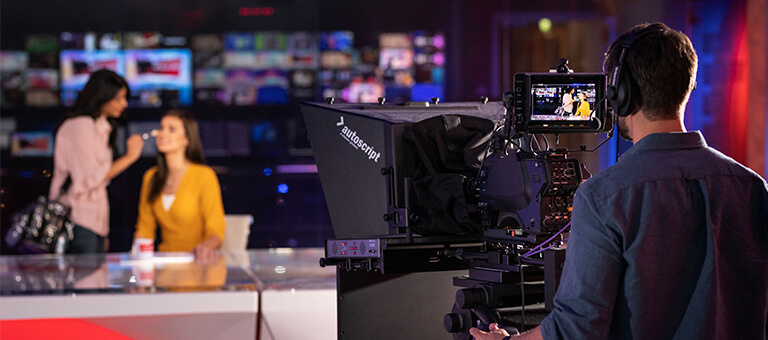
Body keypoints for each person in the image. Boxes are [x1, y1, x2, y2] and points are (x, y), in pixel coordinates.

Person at [471, 22, 768, 339]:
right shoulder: (751, 187)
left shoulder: (602, 197)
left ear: (621, 93)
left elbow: (575, 330)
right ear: (688, 87)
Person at [49, 69, 144, 254]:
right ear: (101, 97)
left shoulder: (100, 126)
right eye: (118, 99)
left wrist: (103, 231)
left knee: (97, 271)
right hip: (77, 218)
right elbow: (90, 178)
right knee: (86, 273)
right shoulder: (80, 126)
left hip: (94, 220)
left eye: (125, 98)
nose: (124, 104)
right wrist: (130, 157)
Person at [133, 109, 225, 261]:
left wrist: (205, 247)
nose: (163, 134)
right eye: (161, 128)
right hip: (164, 263)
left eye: (172, 129)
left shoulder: (204, 176)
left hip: (197, 262)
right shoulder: (151, 177)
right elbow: (144, 229)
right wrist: (135, 258)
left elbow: (216, 230)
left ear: (186, 139)